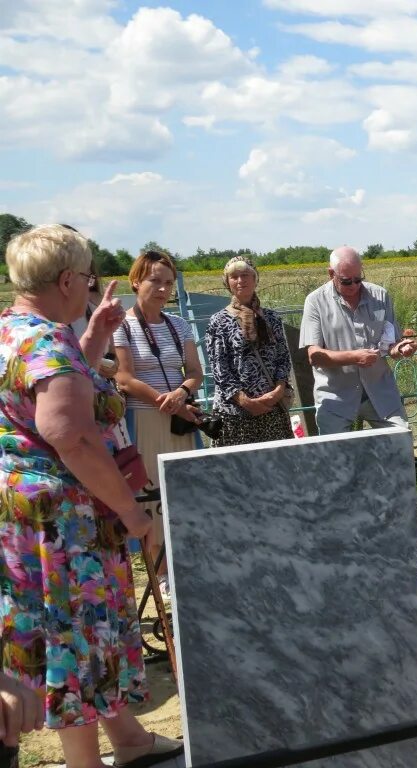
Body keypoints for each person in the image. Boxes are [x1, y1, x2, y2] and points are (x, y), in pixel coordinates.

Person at [0, 225, 183, 768]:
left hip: (31, 515)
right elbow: (70, 434)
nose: (89, 285)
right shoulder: (46, 339)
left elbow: (63, 384)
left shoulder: (15, 330)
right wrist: (130, 512)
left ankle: (127, 740)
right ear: (63, 280)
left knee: (86, 632)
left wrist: (97, 337)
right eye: (86, 277)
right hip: (64, 523)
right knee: (75, 636)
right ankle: (85, 762)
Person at [113, 249, 205, 601]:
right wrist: (164, 402)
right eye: (155, 281)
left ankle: (186, 566)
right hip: (145, 417)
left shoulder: (178, 324)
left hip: (179, 417)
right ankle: (160, 574)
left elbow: (195, 372)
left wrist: (181, 394)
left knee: (184, 491)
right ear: (137, 281)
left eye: (169, 283)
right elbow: (124, 377)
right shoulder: (123, 324)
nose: (163, 289)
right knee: (150, 496)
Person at [299, 246, 417, 435]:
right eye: (346, 281)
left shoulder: (380, 296)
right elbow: (314, 356)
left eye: (358, 279)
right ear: (331, 274)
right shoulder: (315, 302)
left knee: (401, 444)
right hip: (335, 397)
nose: (354, 285)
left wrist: (402, 348)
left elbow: (390, 346)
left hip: (380, 393)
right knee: (336, 458)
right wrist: (354, 357)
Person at [205, 256, 293, 446]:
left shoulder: (272, 318)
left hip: (272, 410)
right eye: (234, 276)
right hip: (235, 415)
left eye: (245, 275)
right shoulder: (218, 321)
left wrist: (278, 391)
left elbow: (283, 358)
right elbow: (220, 369)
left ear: (255, 279)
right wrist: (245, 401)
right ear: (227, 282)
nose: (240, 281)